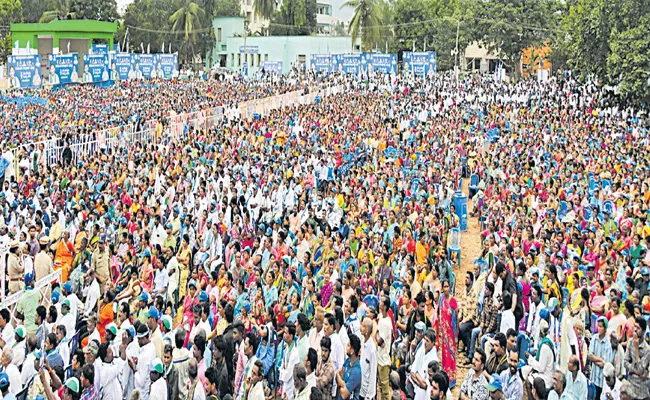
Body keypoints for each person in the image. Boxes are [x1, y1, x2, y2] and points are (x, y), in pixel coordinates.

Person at [623, 317, 650, 399]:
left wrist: (636, 349)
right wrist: (635, 371)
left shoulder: (647, 349)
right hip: (631, 385)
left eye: (638, 328)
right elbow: (625, 362)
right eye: (635, 326)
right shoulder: (630, 342)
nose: (635, 329)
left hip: (641, 391)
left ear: (643, 331)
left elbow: (641, 369)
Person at [588, 317, 613, 398]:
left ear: (605, 328)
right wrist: (600, 359)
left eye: (601, 326)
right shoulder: (594, 338)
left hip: (602, 379)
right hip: (593, 377)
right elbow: (590, 355)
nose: (599, 328)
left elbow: (604, 364)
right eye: (598, 326)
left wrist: (595, 359)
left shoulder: (607, 343)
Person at [335, 334, 361, 400]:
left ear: (352, 351)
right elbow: (338, 374)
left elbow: (344, 394)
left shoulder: (356, 372)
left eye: (348, 345)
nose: (346, 347)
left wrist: (340, 381)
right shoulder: (348, 360)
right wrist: (342, 383)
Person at [377, 296, 393, 400]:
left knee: (385, 390)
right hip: (380, 358)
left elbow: (379, 341)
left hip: (384, 361)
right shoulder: (381, 318)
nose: (380, 303)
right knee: (380, 387)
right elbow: (378, 335)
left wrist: (377, 335)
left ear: (385, 306)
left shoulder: (386, 322)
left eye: (382, 302)